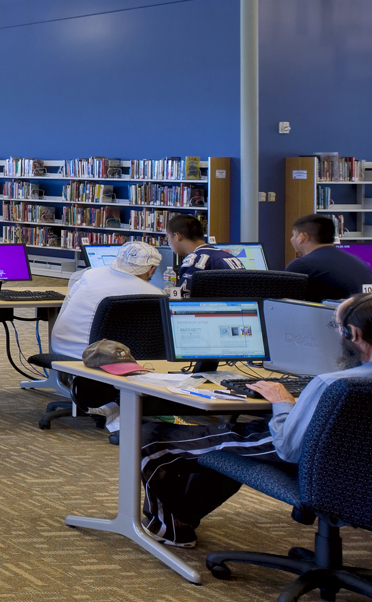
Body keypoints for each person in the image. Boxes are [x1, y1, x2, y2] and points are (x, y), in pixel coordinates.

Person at [140, 293, 372, 547]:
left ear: (353, 334)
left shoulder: (336, 386)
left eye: (336, 327)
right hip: (359, 471)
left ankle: (171, 529)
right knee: (237, 432)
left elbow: (288, 449)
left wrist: (282, 401)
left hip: (316, 464)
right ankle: (183, 515)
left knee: (149, 439)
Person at [53, 241, 161, 361]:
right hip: (107, 357)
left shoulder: (89, 275)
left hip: (63, 348)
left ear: (118, 260)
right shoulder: (155, 295)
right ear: (152, 270)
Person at [285, 214, 372, 301]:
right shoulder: (360, 263)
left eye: (294, 235)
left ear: (303, 237)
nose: (292, 239)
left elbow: (283, 305)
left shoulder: (301, 266)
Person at [165, 213, 241, 296]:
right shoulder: (231, 257)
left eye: (168, 237)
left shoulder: (193, 260)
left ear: (177, 236)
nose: (168, 241)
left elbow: (182, 299)